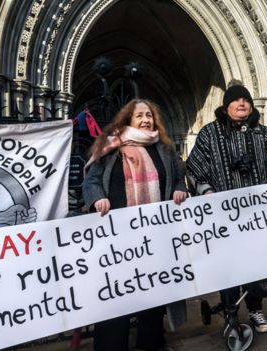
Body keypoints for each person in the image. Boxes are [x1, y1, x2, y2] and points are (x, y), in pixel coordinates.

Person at [82, 99, 188, 351]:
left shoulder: (164, 149)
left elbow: (178, 179)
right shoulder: (112, 146)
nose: (146, 120)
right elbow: (91, 181)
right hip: (117, 240)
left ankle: (151, 343)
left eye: (150, 115)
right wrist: (97, 198)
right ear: (128, 119)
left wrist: (179, 190)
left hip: (155, 236)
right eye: (140, 115)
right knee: (116, 294)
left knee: (152, 292)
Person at [186, 83, 267, 333]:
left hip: (256, 216)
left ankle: (255, 309)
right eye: (236, 100)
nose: (242, 104)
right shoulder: (210, 133)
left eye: (246, 100)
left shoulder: (261, 133)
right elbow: (194, 168)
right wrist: (206, 192)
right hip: (224, 216)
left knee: (257, 263)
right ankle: (231, 312)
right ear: (226, 105)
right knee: (229, 264)